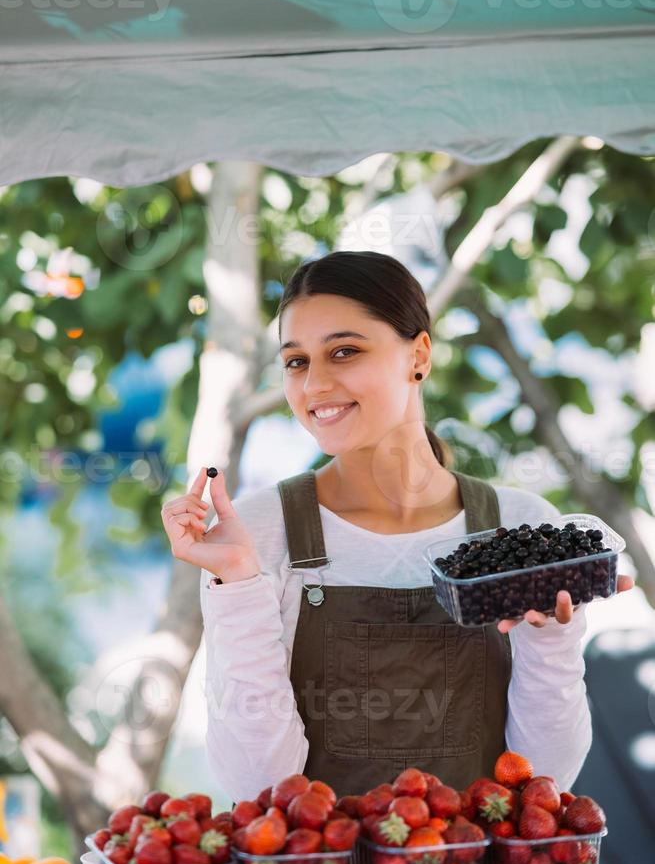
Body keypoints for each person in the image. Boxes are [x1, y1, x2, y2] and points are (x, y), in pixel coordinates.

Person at [161, 250, 633, 804]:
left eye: (344, 352)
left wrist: (550, 635)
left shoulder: (520, 529)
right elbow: (258, 788)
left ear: (420, 356)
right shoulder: (258, 534)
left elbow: (545, 784)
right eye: (296, 362)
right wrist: (239, 584)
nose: (314, 386)